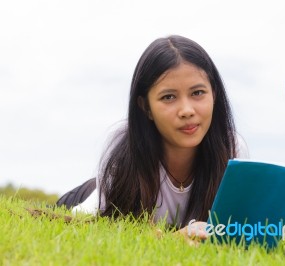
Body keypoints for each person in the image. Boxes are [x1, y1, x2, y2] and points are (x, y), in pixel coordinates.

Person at [57, 35, 249, 236]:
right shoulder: (123, 151)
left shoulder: (232, 149)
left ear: (214, 94)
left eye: (198, 93)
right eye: (169, 97)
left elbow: (241, 228)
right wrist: (172, 239)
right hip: (91, 194)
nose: (186, 110)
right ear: (146, 107)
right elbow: (87, 226)